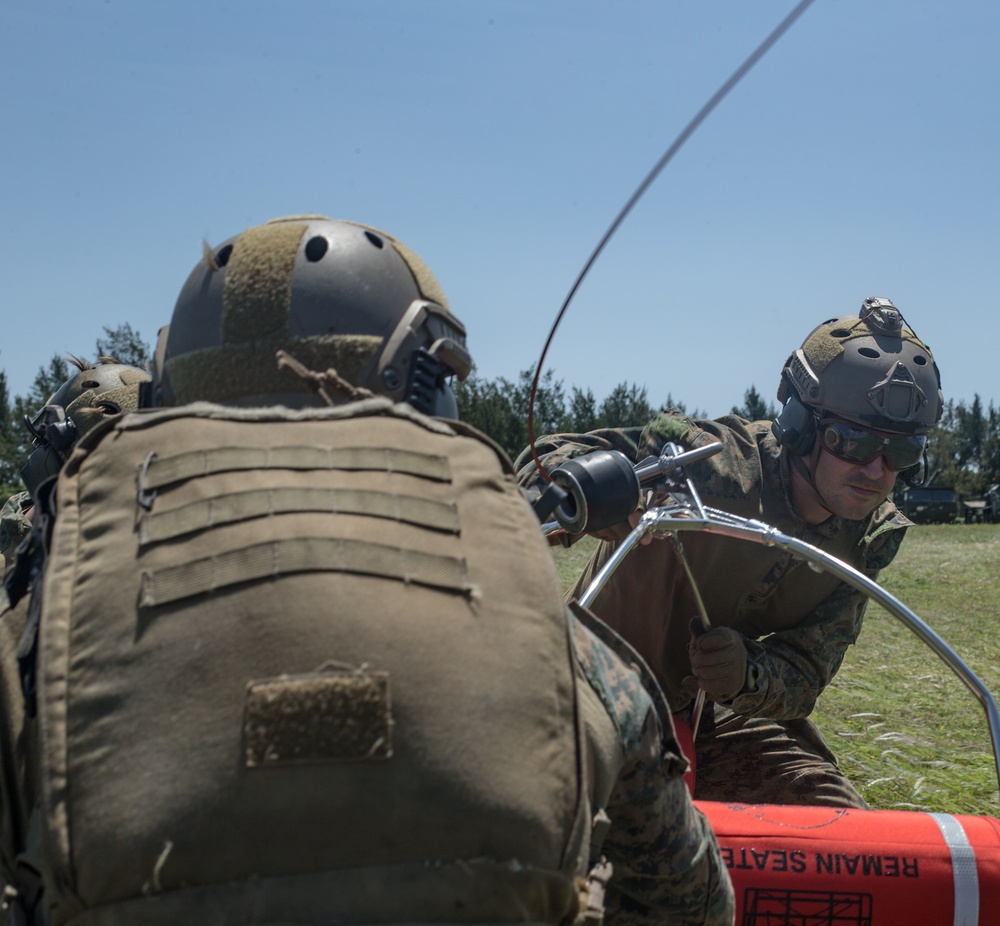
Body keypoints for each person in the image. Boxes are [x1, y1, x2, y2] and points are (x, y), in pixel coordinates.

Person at [4, 216, 733, 926]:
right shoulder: (571, 659)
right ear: (425, 387)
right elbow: (690, 902)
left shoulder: (42, 641)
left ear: (171, 395)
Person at [516, 298, 943, 809]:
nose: (877, 473)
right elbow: (545, 462)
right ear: (800, 426)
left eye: (901, 453)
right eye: (852, 443)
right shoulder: (707, 459)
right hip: (583, 691)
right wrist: (595, 491)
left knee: (836, 827)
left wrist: (747, 675)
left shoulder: (868, 537)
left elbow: (806, 669)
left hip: (713, 720)